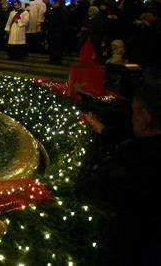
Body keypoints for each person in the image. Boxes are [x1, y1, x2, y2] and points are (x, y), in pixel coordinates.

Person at [78, 84, 161, 266]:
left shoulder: (133, 159)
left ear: (146, 117)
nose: (132, 120)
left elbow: (87, 191)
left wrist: (97, 143)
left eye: (134, 113)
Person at [45, 0, 68, 65]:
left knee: (57, 46)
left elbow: (64, 22)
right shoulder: (54, 10)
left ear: (56, 3)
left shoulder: (61, 11)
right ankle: (53, 59)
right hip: (53, 31)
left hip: (58, 32)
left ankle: (57, 60)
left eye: (53, 3)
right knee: (52, 46)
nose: (52, 4)